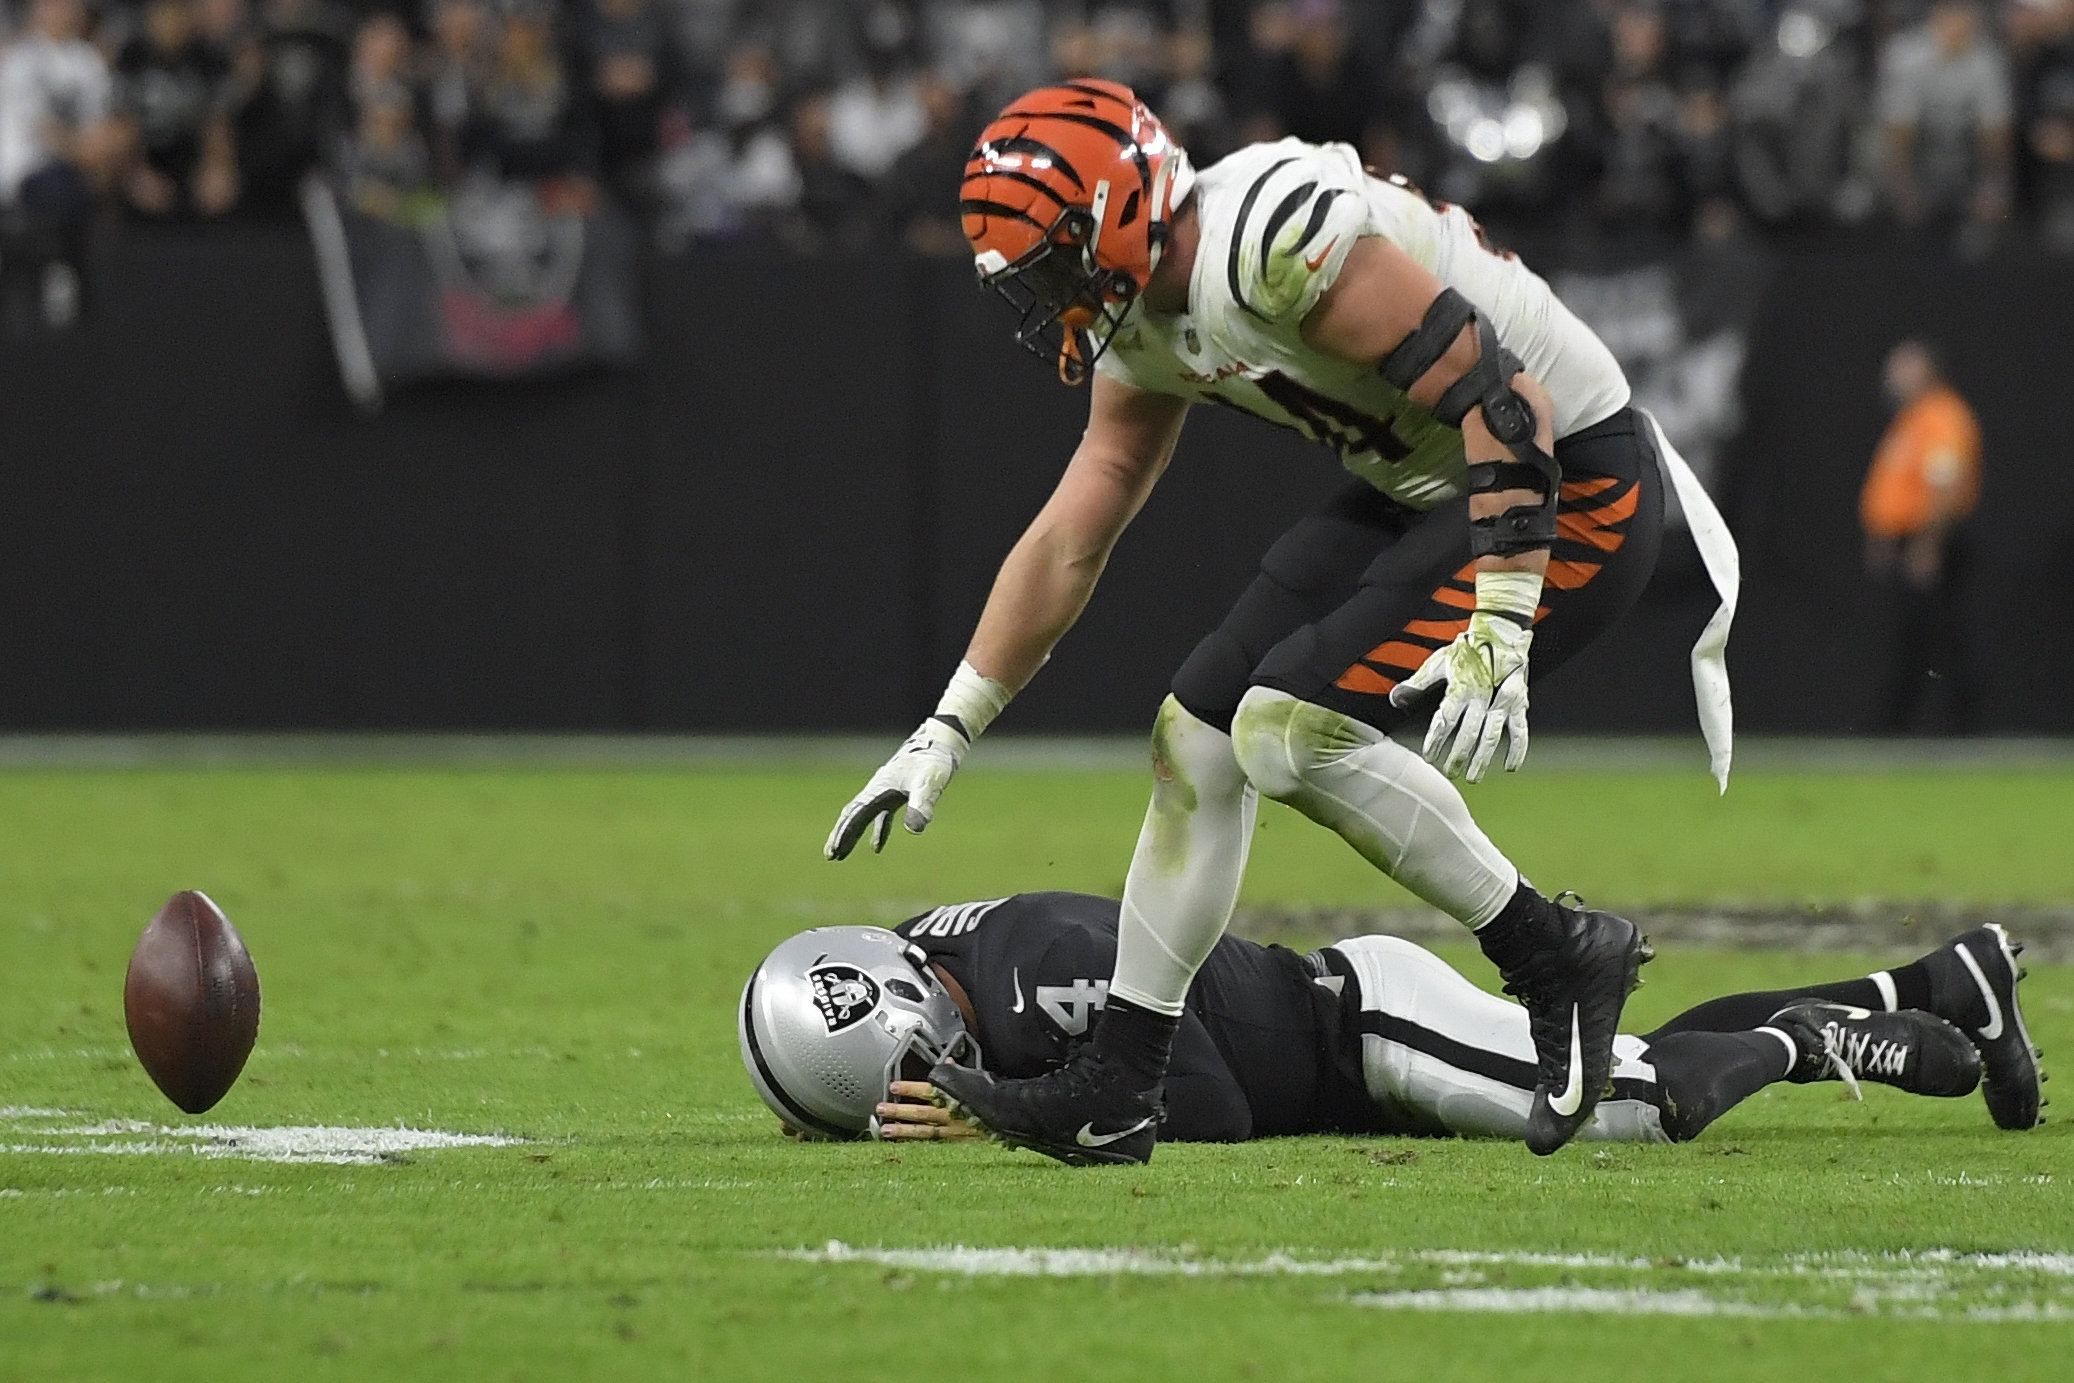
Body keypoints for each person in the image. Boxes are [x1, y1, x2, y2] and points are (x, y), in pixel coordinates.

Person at [824, 79, 1736, 1163]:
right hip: (1432, 485)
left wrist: (1502, 607)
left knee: (1286, 730)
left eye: (1057, 261)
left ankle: (1553, 952)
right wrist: (950, 725)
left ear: (1121, 211)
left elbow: (1508, 404)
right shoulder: (1146, 318)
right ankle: (1122, 1085)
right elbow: (1077, 526)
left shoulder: (1265, 239)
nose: (1051, 297)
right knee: (1198, 732)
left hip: (1564, 479)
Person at [739, 892, 2045, 1151]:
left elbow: (1199, 1103)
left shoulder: (1040, 963)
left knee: (1635, 1105)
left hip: (1360, 1026)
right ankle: (1942, 984)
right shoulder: (967, 961)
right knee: (1626, 1061)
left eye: (912, 1075)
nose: (921, 1094)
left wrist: (1005, 1115)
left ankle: (1818, 1038)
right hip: (1345, 1037)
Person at [1860, 338, 1983, 733]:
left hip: (1931, 540)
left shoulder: (1942, 416)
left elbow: (1945, 484)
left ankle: (1960, 725)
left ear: (1928, 371)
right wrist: (1882, 538)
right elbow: (1896, 489)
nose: (1892, 376)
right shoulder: (1911, 419)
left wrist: (1927, 545)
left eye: (1904, 367)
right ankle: (1896, 725)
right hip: (1908, 541)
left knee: (1939, 638)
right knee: (1911, 638)